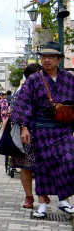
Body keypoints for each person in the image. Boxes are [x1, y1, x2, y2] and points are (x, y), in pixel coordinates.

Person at [11, 41, 74, 218]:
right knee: (43, 167)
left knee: (68, 162)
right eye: (44, 57)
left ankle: (63, 200)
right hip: (42, 129)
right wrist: (24, 127)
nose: (46, 60)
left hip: (64, 129)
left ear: (59, 60)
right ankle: (42, 205)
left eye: (51, 57)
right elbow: (23, 104)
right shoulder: (34, 80)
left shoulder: (69, 79)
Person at [11, 63, 48, 210]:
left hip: (44, 132)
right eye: (33, 74)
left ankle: (43, 193)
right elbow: (15, 112)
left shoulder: (47, 90)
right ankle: (29, 196)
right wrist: (23, 127)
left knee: (43, 165)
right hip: (25, 133)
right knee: (26, 166)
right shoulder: (20, 92)